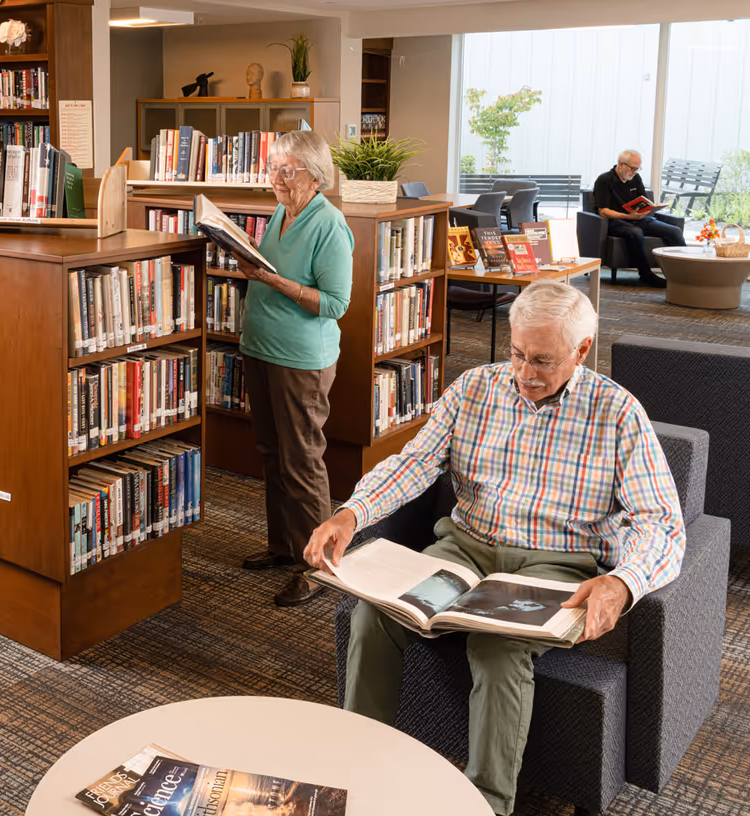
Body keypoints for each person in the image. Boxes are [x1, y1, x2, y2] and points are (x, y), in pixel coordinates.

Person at [305, 280, 685, 815]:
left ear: (580, 352)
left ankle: (485, 803)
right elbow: (415, 462)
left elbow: (663, 524)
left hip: (556, 564)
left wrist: (624, 582)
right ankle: (358, 770)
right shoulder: (474, 388)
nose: (525, 374)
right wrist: (352, 512)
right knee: (373, 615)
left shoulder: (618, 412)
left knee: (498, 647)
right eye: (517, 354)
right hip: (463, 551)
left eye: (542, 360)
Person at [231, 129, 354, 607]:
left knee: (302, 460)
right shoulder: (282, 211)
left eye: (286, 170)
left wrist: (272, 280)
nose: (276, 179)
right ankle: (284, 546)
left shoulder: (329, 224)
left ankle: (318, 566)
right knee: (271, 452)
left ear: (314, 173)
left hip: (301, 360)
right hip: (261, 347)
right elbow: (271, 271)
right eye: (272, 168)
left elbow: (336, 303)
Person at [592, 149, 685, 288]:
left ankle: (686, 273)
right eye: (633, 168)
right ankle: (645, 275)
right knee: (635, 232)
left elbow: (644, 201)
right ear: (621, 164)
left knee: (674, 231)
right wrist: (627, 216)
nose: (635, 172)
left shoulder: (635, 178)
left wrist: (650, 209)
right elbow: (603, 211)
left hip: (639, 219)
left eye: (637, 169)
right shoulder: (604, 180)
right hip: (615, 222)